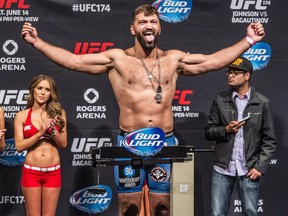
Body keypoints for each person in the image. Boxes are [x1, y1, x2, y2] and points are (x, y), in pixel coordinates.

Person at [21, 4, 265, 216]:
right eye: (143, 22)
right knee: (129, 207)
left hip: (163, 143)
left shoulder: (174, 59)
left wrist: (249, 41)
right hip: (129, 143)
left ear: (160, 28)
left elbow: (213, 62)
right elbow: (73, 61)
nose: (149, 26)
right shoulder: (117, 59)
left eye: (153, 22)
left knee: (162, 208)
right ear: (133, 29)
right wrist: (37, 42)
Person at [205, 57, 277, 216]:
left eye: (235, 73)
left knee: (251, 212)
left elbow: (269, 140)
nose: (230, 75)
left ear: (247, 76)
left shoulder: (262, 102)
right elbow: (209, 131)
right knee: (217, 213)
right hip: (223, 168)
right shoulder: (220, 99)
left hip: (249, 168)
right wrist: (226, 129)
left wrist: (260, 167)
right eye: (229, 72)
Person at [14, 74, 67, 216]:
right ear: (33, 90)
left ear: (51, 93)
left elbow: (63, 144)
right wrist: (40, 132)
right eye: (40, 88)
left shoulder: (59, 113)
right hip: (31, 172)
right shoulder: (22, 115)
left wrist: (52, 130)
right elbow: (19, 146)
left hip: (53, 172)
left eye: (47, 90)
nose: (43, 93)